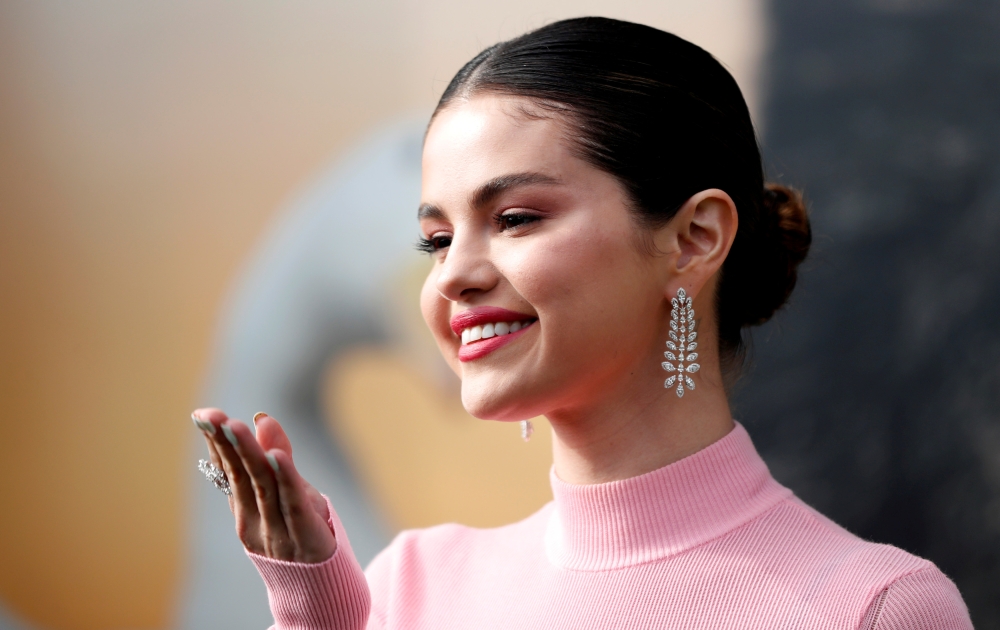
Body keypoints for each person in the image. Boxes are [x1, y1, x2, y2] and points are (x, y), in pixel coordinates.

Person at [191, 17, 972, 629]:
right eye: (435, 239)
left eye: (517, 217)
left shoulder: (877, 610)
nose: (453, 274)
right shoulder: (411, 586)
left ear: (694, 239)